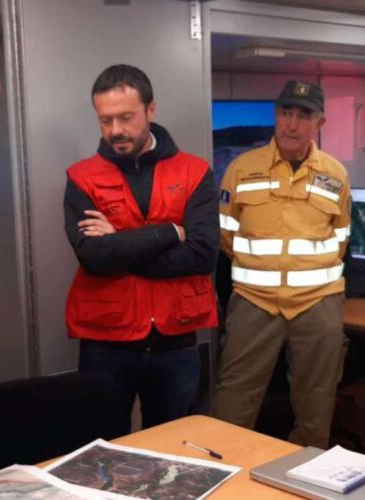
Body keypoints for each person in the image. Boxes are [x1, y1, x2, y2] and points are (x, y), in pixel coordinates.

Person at [63, 64, 219, 434]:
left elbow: (202, 255)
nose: (115, 130)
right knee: (100, 447)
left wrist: (119, 242)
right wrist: (168, 231)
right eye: (105, 120)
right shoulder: (81, 177)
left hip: (176, 340)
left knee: (175, 446)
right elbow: (95, 257)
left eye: (126, 117)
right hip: (106, 341)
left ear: (151, 110)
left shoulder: (194, 172)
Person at [211, 80, 350, 448]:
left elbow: (340, 239)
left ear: (319, 121)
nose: (291, 124)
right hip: (255, 301)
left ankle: (307, 482)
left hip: (317, 302)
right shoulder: (241, 169)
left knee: (316, 403)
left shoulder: (335, 175)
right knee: (234, 400)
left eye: (303, 116)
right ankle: (227, 479)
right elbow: (226, 235)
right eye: (285, 114)